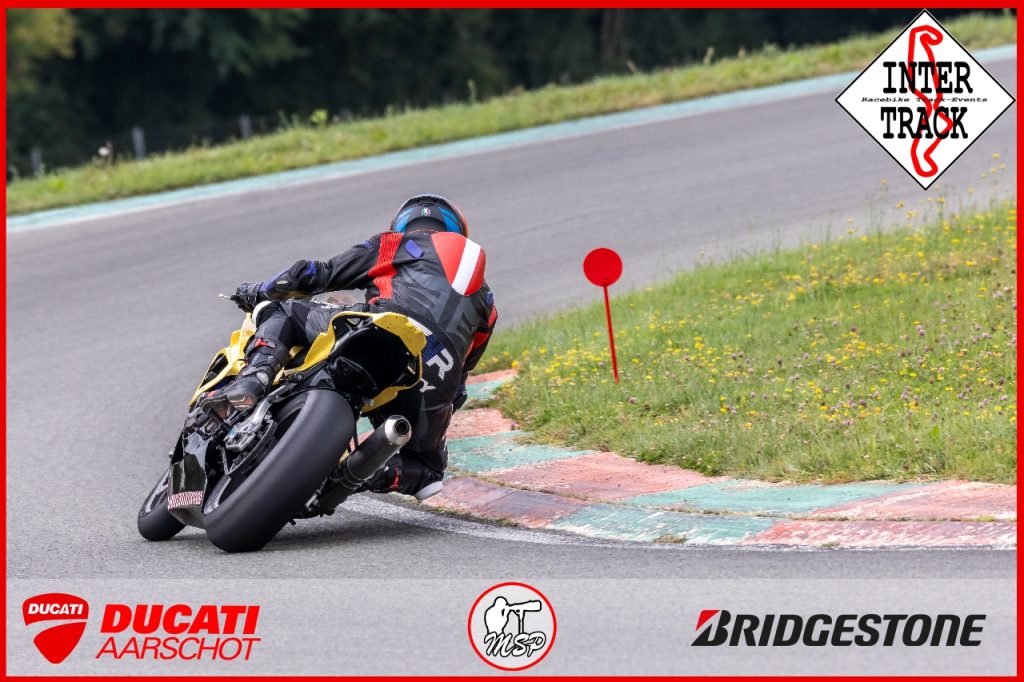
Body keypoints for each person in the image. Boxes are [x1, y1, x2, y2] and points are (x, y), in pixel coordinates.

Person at [201, 194, 497, 500]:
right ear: (458, 232)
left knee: (282, 311)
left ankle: (254, 379)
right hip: (436, 377)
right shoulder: (487, 302)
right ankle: (362, 473)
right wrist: (439, 409)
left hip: (385, 329)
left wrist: (258, 291)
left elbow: (315, 274)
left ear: (403, 224)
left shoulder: (398, 243)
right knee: (429, 473)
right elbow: (461, 383)